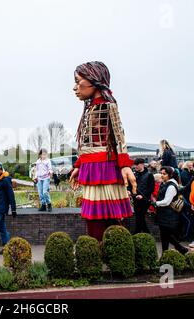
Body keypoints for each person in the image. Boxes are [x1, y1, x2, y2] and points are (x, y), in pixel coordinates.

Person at [69, 61, 137, 242]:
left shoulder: (108, 106)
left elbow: (119, 136)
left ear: (94, 80)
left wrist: (124, 165)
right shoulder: (90, 108)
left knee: (108, 215)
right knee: (94, 216)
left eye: (78, 81)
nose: (75, 88)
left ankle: (113, 250)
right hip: (91, 167)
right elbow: (86, 142)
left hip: (105, 166)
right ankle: (100, 250)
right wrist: (79, 164)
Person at [151, 166, 188, 254]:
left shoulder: (171, 186)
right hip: (164, 213)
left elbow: (167, 202)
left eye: (164, 174)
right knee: (164, 235)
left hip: (169, 214)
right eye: (161, 173)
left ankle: (180, 249)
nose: (162, 175)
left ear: (170, 175)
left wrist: (156, 203)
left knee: (166, 235)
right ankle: (169, 252)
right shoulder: (165, 183)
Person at [131, 158, 155, 234]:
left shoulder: (149, 175)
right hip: (136, 199)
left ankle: (136, 233)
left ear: (142, 164)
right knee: (139, 218)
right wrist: (130, 191)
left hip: (145, 200)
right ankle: (147, 234)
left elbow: (151, 188)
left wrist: (142, 196)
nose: (135, 167)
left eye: (136, 165)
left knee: (139, 217)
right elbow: (131, 185)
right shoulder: (135, 174)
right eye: (134, 165)